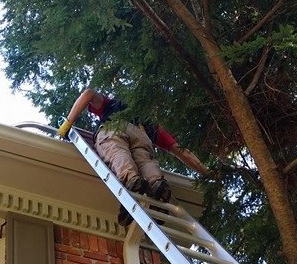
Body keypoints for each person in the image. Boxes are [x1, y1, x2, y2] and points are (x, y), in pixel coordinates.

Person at [58, 88, 210, 225]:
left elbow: (89, 93)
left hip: (113, 126)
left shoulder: (112, 104)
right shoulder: (152, 127)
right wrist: (208, 173)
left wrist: (68, 122)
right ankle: (157, 184)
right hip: (142, 135)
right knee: (145, 160)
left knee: (117, 151)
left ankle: (131, 179)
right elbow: (182, 151)